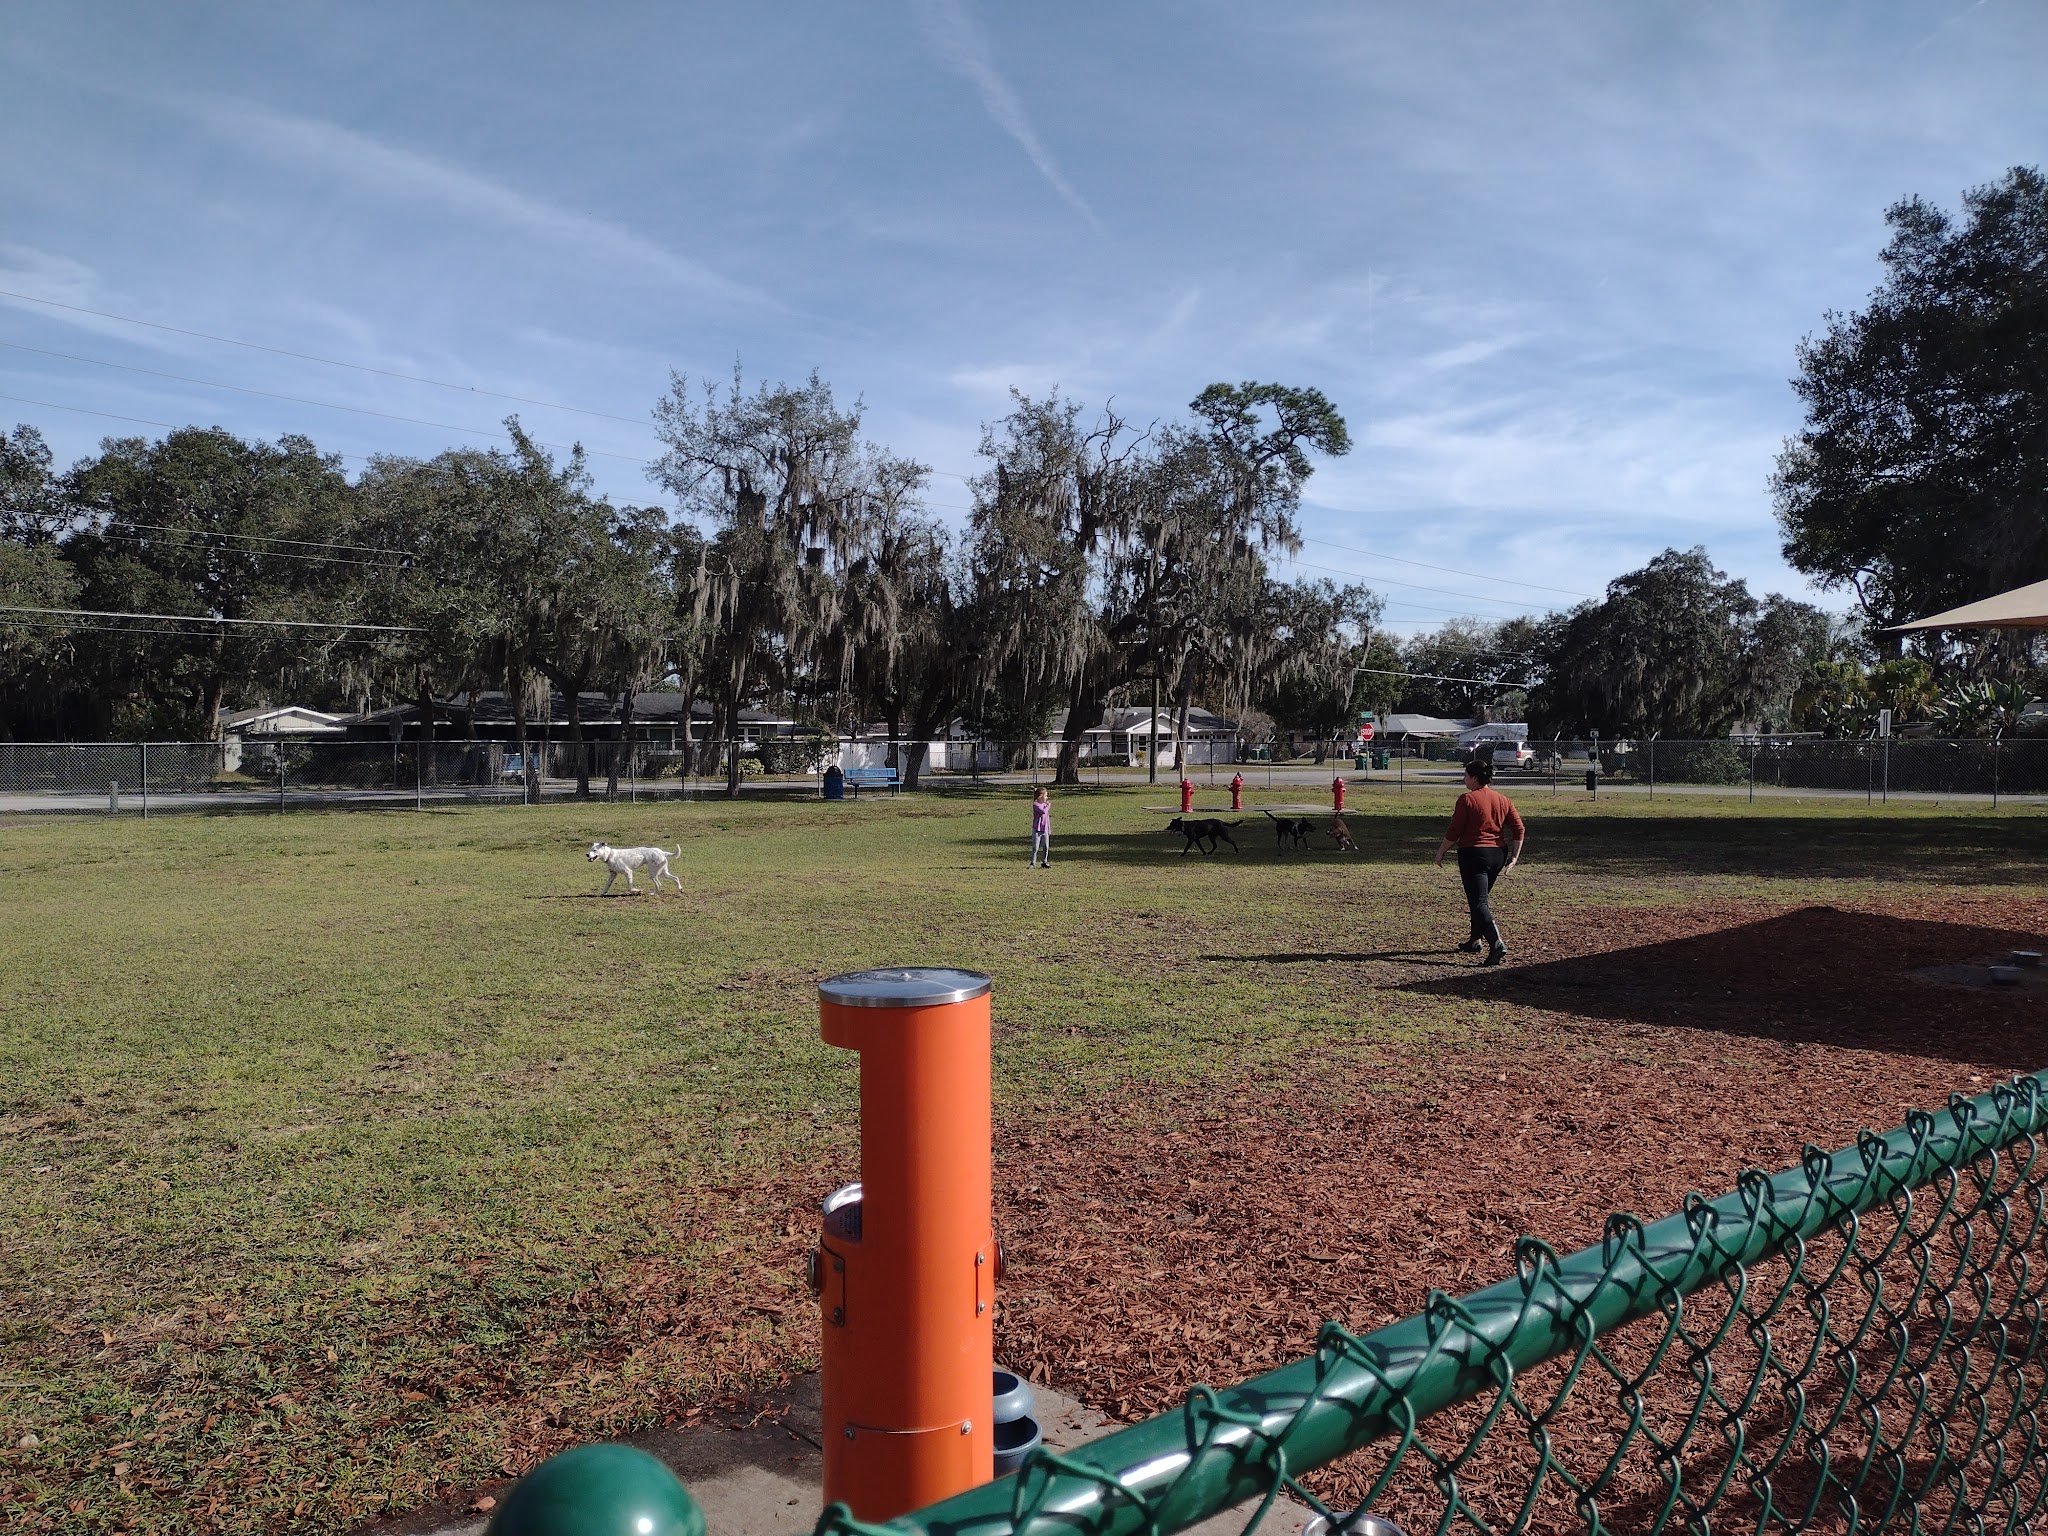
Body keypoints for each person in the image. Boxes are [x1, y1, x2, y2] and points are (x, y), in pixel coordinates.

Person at [1434, 758, 1525, 965]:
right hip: (1497, 855)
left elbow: (1455, 830)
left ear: (1475, 778)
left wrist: (1441, 852)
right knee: (1479, 898)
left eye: (1466, 775)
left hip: (1474, 854)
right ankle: (1475, 940)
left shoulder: (1467, 800)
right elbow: (1519, 828)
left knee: (1479, 901)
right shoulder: (1503, 799)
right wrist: (1514, 857)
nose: (1464, 779)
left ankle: (1496, 943)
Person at [1029, 786, 1052, 868]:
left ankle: (1044, 861)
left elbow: (1047, 819)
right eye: (1045, 795)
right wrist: (1048, 806)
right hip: (1037, 829)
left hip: (1045, 829)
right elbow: (1043, 812)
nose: (1047, 797)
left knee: (1046, 846)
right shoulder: (1036, 805)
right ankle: (1033, 863)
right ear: (1041, 796)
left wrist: (1048, 829)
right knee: (1035, 847)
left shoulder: (1045, 805)